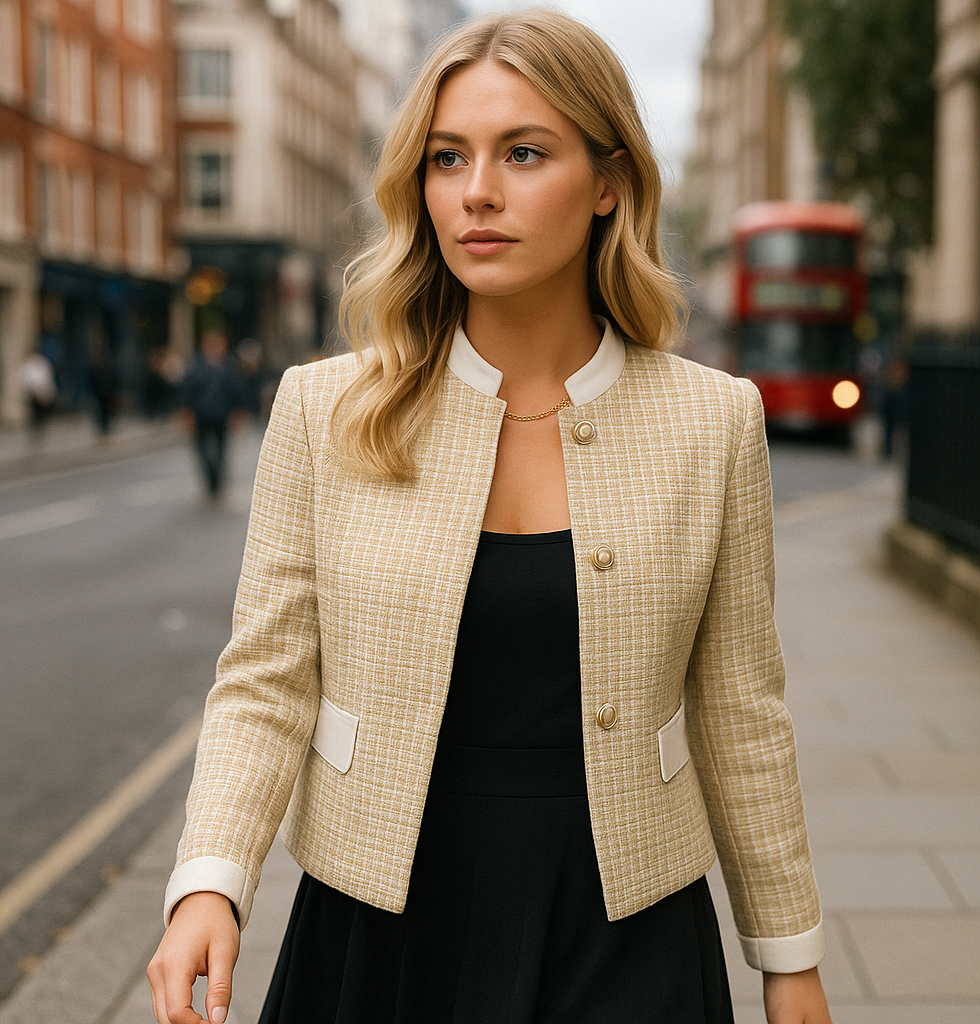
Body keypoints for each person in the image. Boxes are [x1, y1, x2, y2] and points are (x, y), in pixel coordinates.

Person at [148, 10, 833, 1024]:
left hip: (629, 927)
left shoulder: (713, 421)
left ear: (608, 182)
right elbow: (264, 679)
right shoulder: (321, 408)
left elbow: (741, 705)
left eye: (523, 152)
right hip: (382, 927)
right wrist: (210, 876)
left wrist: (789, 956)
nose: (476, 191)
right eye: (446, 158)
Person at [178, 330, 246, 497]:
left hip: (222, 415)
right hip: (201, 415)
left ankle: (218, 476)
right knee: (202, 450)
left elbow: (236, 392)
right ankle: (211, 476)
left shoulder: (229, 368)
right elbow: (187, 391)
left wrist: (237, 414)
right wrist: (186, 414)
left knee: (221, 449)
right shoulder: (195, 367)